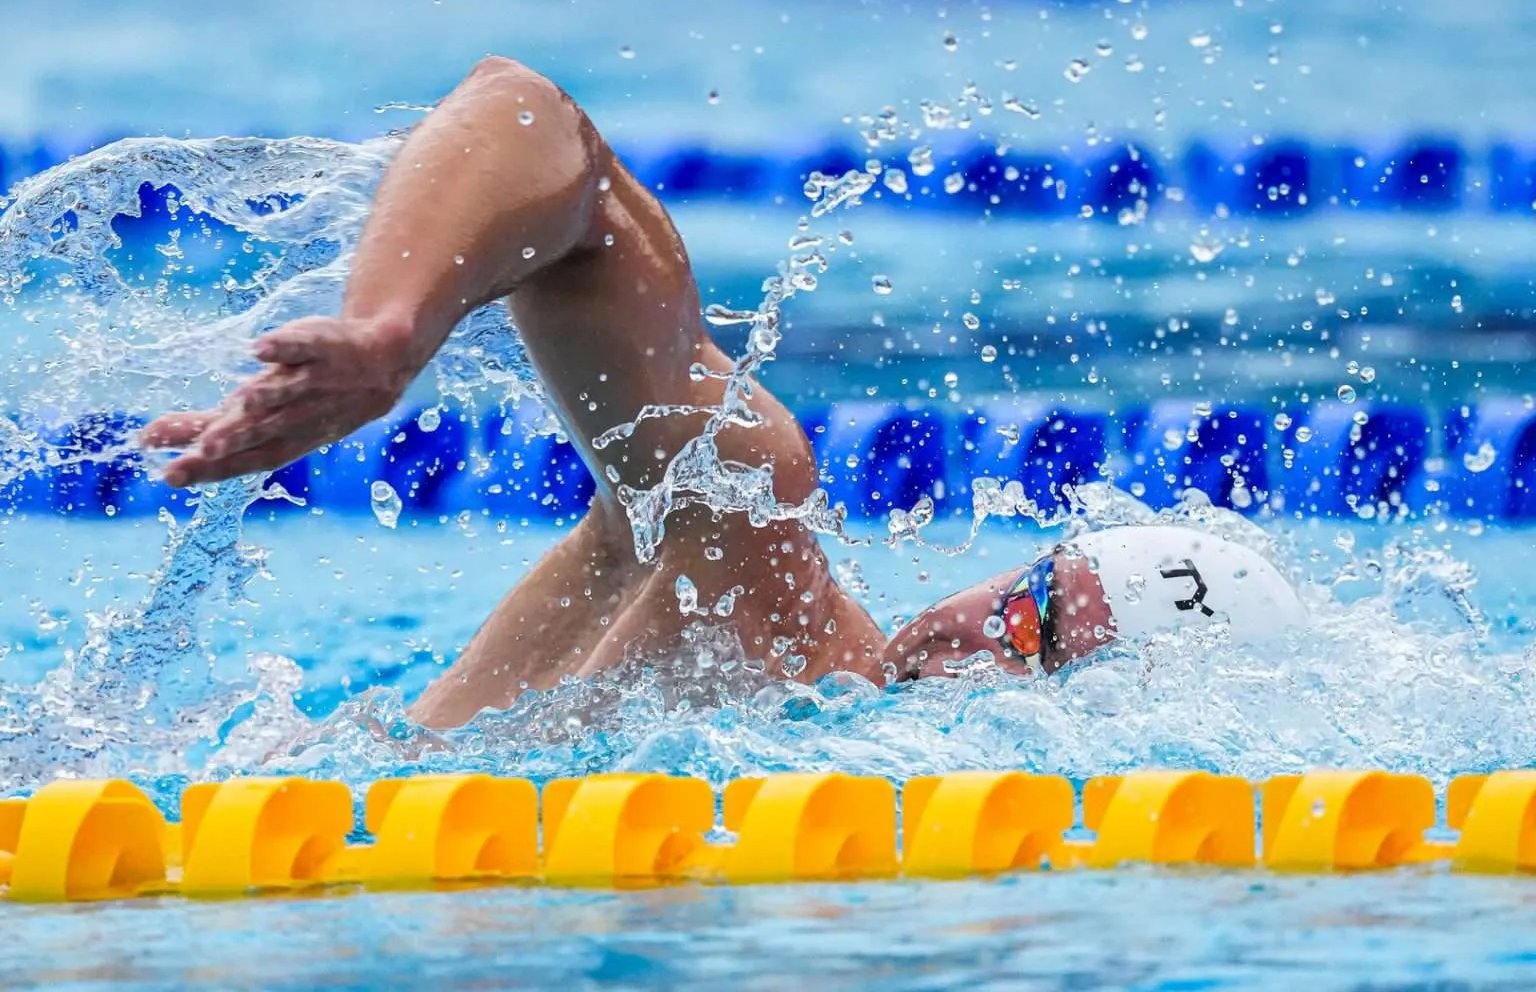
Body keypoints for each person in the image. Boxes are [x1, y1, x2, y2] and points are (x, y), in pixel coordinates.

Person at [141, 57, 1305, 728]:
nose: (977, 633)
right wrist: (390, 329)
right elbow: (529, 116)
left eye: (1038, 644)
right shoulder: (752, 548)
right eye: (1028, 593)